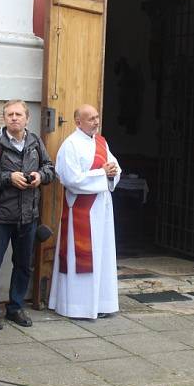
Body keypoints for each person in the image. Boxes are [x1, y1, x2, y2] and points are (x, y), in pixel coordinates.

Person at [0, 100, 55, 329]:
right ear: (4, 118)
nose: (14, 118)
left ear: (27, 118)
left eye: (18, 114)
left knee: (23, 265)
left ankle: (16, 307)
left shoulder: (35, 141)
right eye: (10, 114)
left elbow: (50, 168)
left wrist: (41, 176)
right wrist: (8, 178)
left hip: (28, 216)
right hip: (0, 215)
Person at [49, 104, 121, 319]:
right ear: (78, 122)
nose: (96, 122)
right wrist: (102, 173)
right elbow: (71, 179)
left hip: (102, 208)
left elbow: (113, 166)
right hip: (81, 210)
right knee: (77, 257)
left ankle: (101, 303)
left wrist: (112, 173)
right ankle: (76, 306)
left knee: (103, 255)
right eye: (90, 119)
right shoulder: (70, 145)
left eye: (97, 117)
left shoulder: (101, 142)